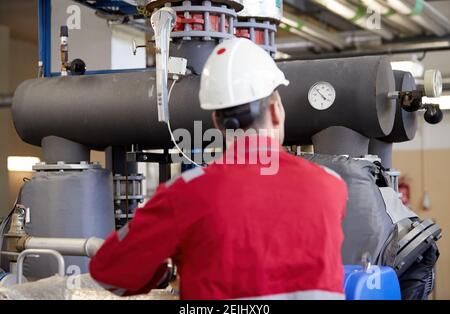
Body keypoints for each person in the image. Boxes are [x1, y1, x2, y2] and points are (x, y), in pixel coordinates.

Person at [89, 38, 348, 300]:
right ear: (276, 110)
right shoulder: (332, 185)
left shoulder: (186, 194)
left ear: (217, 123)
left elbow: (108, 271)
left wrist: (167, 271)